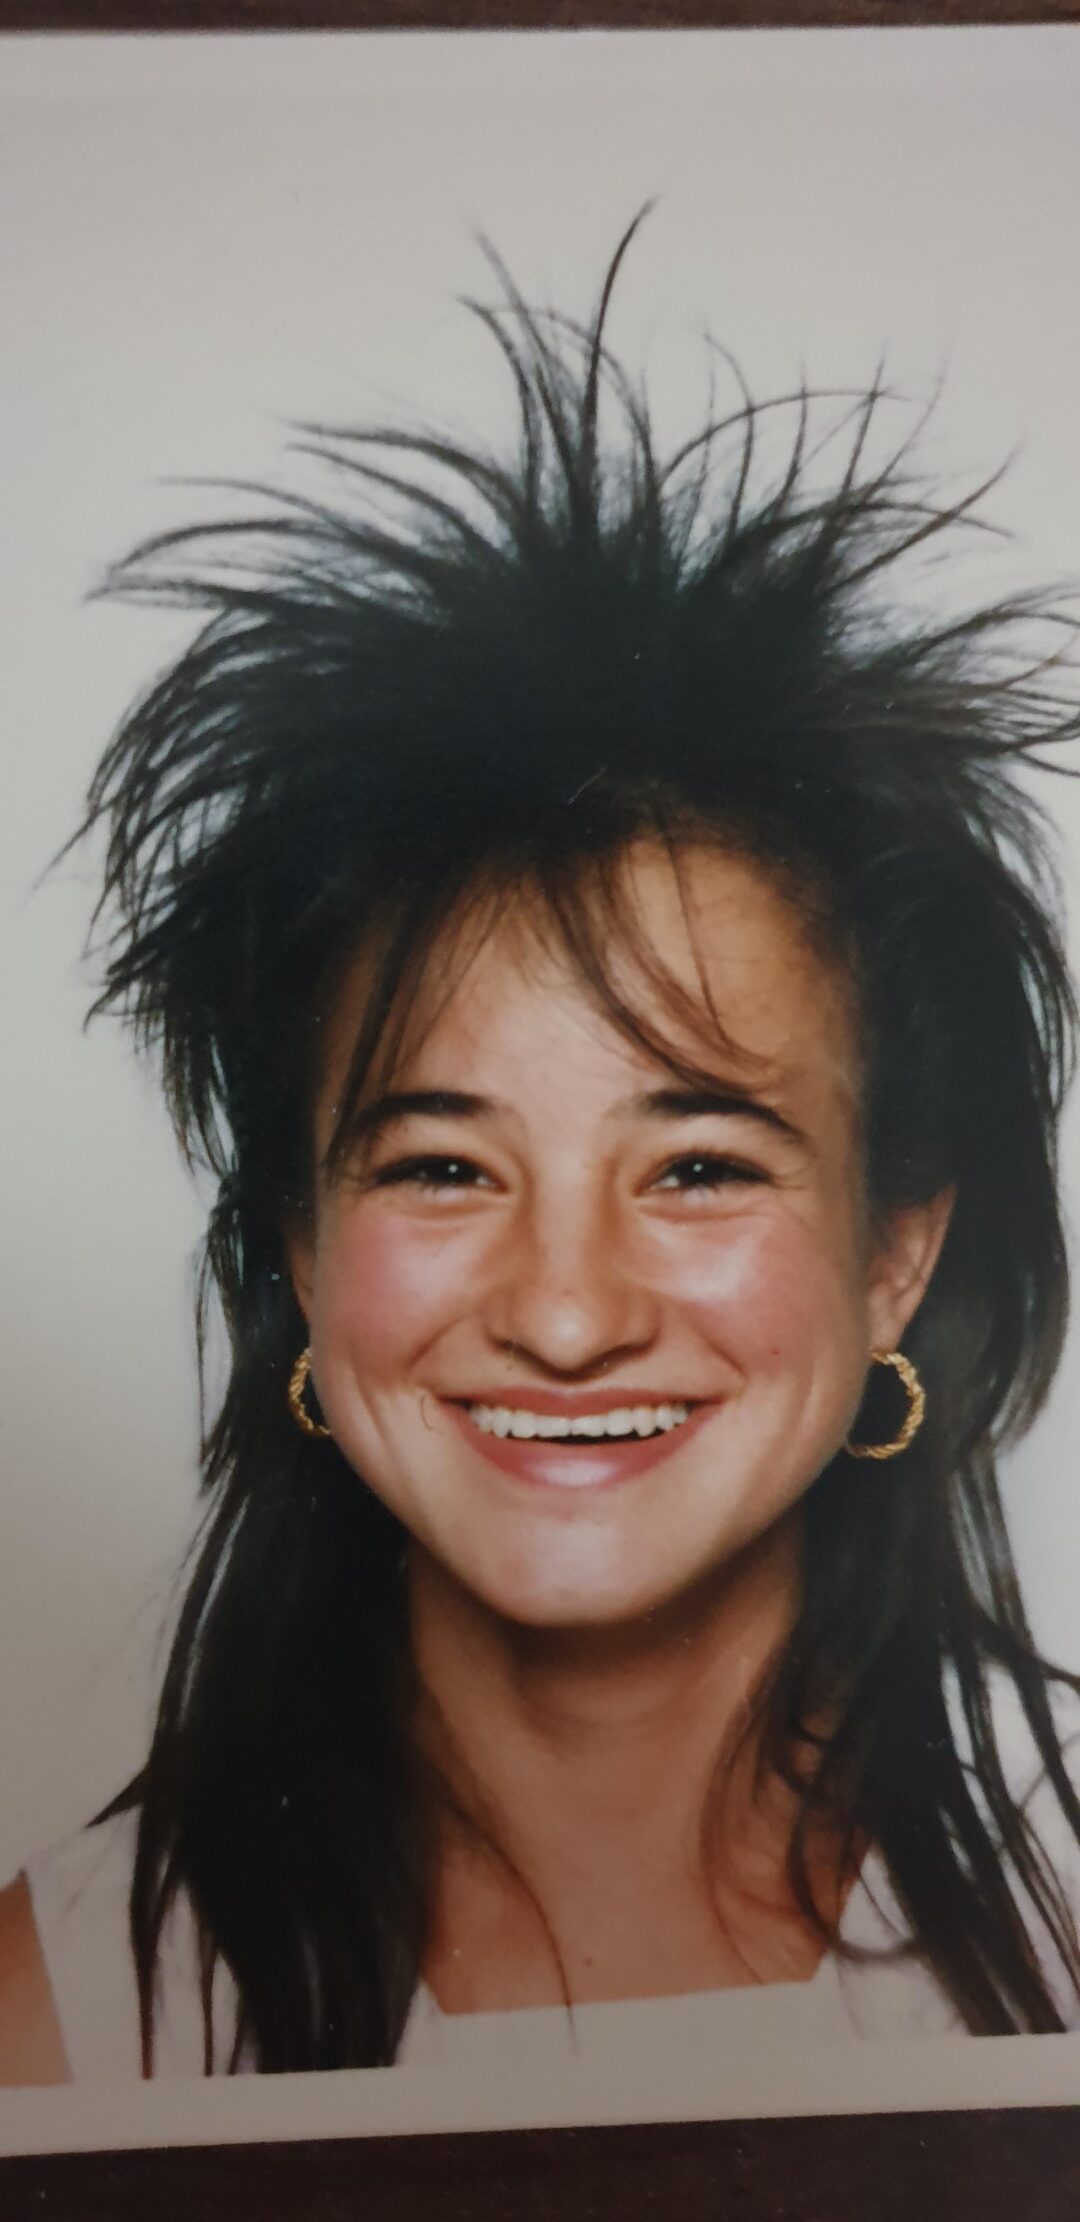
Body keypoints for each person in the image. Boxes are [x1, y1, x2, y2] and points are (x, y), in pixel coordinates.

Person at [3, 222, 1080, 2084]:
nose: (566, 1314)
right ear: (299, 1246)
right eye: (439, 1166)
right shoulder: (58, 2029)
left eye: (700, 1164)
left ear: (898, 1247)